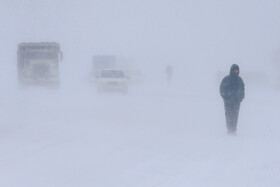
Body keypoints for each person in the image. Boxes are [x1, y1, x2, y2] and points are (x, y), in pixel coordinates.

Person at [220, 64, 245, 135]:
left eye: (237, 70)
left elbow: (242, 90)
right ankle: (229, 130)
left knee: (235, 116)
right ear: (231, 70)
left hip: (236, 103)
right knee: (228, 116)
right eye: (234, 70)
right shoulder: (226, 79)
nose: (235, 71)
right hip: (227, 102)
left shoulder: (239, 80)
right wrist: (225, 98)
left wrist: (240, 99)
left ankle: (233, 130)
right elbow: (221, 89)